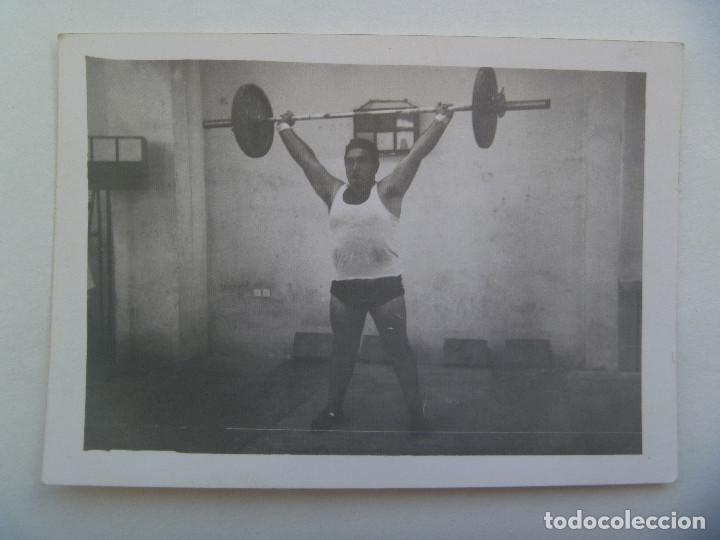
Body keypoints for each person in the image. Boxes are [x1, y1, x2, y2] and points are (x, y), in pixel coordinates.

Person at [276, 103, 454, 431]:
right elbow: (306, 160)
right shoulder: (333, 192)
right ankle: (333, 411)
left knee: (400, 353)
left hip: (385, 288)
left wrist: (441, 119)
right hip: (344, 289)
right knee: (342, 354)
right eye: (349, 161)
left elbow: (416, 154)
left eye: (361, 161)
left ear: (375, 165)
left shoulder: (387, 191)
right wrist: (284, 128)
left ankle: (417, 417)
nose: (354, 167)